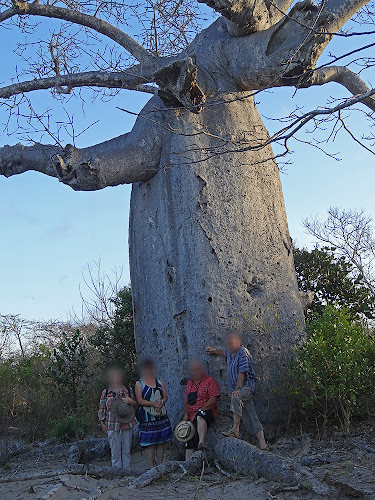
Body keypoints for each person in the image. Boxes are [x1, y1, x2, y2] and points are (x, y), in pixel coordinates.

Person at [206, 330, 267, 450]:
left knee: (236, 397)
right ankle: (263, 443)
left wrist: (238, 388)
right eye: (228, 342)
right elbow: (224, 353)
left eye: (232, 342)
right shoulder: (230, 352)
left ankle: (235, 429)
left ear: (239, 342)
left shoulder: (243, 352)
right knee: (251, 414)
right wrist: (214, 352)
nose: (230, 344)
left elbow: (242, 371)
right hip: (239, 388)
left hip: (247, 386)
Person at [135, 358, 172, 468]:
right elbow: (140, 400)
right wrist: (153, 404)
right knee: (150, 443)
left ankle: (160, 466)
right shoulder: (139, 383)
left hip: (160, 415)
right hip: (147, 417)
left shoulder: (159, 381)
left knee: (161, 442)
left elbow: (165, 396)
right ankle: (151, 467)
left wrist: (161, 402)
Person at [98, 366, 137, 468]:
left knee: (126, 451)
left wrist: (132, 402)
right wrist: (102, 423)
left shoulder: (128, 390)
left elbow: (136, 406)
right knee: (115, 452)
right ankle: (117, 472)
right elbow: (102, 408)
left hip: (127, 424)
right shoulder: (106, 392)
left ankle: (126, 471)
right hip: (112, 424)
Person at [183, 360, 220, 459]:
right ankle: (188, 465)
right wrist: (186, 414)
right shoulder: (190, 384)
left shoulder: (210, 381)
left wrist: (200, 409)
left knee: (200, 415)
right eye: (193, 370)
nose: (194, 372)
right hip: (192, 416)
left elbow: (214, 399)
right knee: (188, 438)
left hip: (206, 412)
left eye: (197, 370)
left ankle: (201, 443)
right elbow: (186, 402)